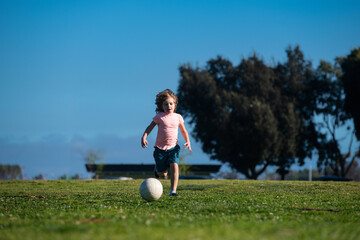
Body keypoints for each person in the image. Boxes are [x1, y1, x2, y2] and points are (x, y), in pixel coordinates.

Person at [141, 89, 192, 197]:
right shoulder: (159, 117)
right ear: (161, 106)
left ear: (175, 105)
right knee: (163, 174)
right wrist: (144, 136)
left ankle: (173, 191)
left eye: (171, 103)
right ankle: (157, 171)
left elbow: (183, 130)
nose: (169, 106)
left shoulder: (178, 117)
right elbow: (149, 128)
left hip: (173, 148)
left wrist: (188, 141)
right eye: (166, 104)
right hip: (160, 149)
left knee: (175, 166)